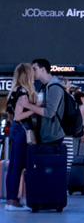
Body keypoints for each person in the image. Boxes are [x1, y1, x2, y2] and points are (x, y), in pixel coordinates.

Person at [4, 63, 36, 211]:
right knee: (18, 166)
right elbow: (18, 116)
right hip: (23, 130)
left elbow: (11, 116)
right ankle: (13, 201)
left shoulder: (13, 92)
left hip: (15, 131)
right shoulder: (23, 92)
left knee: (12, 166)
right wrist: (34, 109)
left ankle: (10, 199)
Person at [18, 59, 65, 145]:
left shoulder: (55, 87)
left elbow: (49, 112)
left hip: (52, 137)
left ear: (43, 69)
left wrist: (27, 105)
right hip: (45, 136)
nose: (32, 72)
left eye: (34, 69)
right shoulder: (45, 87)